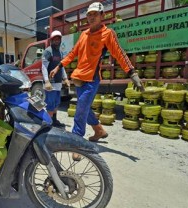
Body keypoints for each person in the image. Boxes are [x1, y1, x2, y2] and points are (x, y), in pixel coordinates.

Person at [50, 2, 144, 159]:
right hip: (79, 78)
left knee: (81, 109)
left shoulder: (107, 34)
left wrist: (132, 73)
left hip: (92, 79)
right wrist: (58, 66)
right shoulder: (83, 35)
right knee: (84, 108)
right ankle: (98, 130)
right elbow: (73, 53)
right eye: (89, 15)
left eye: (95, 14)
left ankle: (77, 142)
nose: (91, 17)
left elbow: (119, 53)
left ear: (102, 16)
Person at [42, 30, 70, 128]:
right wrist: (46, 81)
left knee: (56, 103)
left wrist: (65, 78)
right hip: (50, 83)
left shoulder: (60, 52)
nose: (57, 40)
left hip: (58, 83)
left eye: (58, 39)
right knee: (50, 104)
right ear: (51, 40)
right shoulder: (48, 51)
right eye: (55, 39)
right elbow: (44, 67)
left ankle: (54, 120)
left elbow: (61, 66)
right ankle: (48, 124)